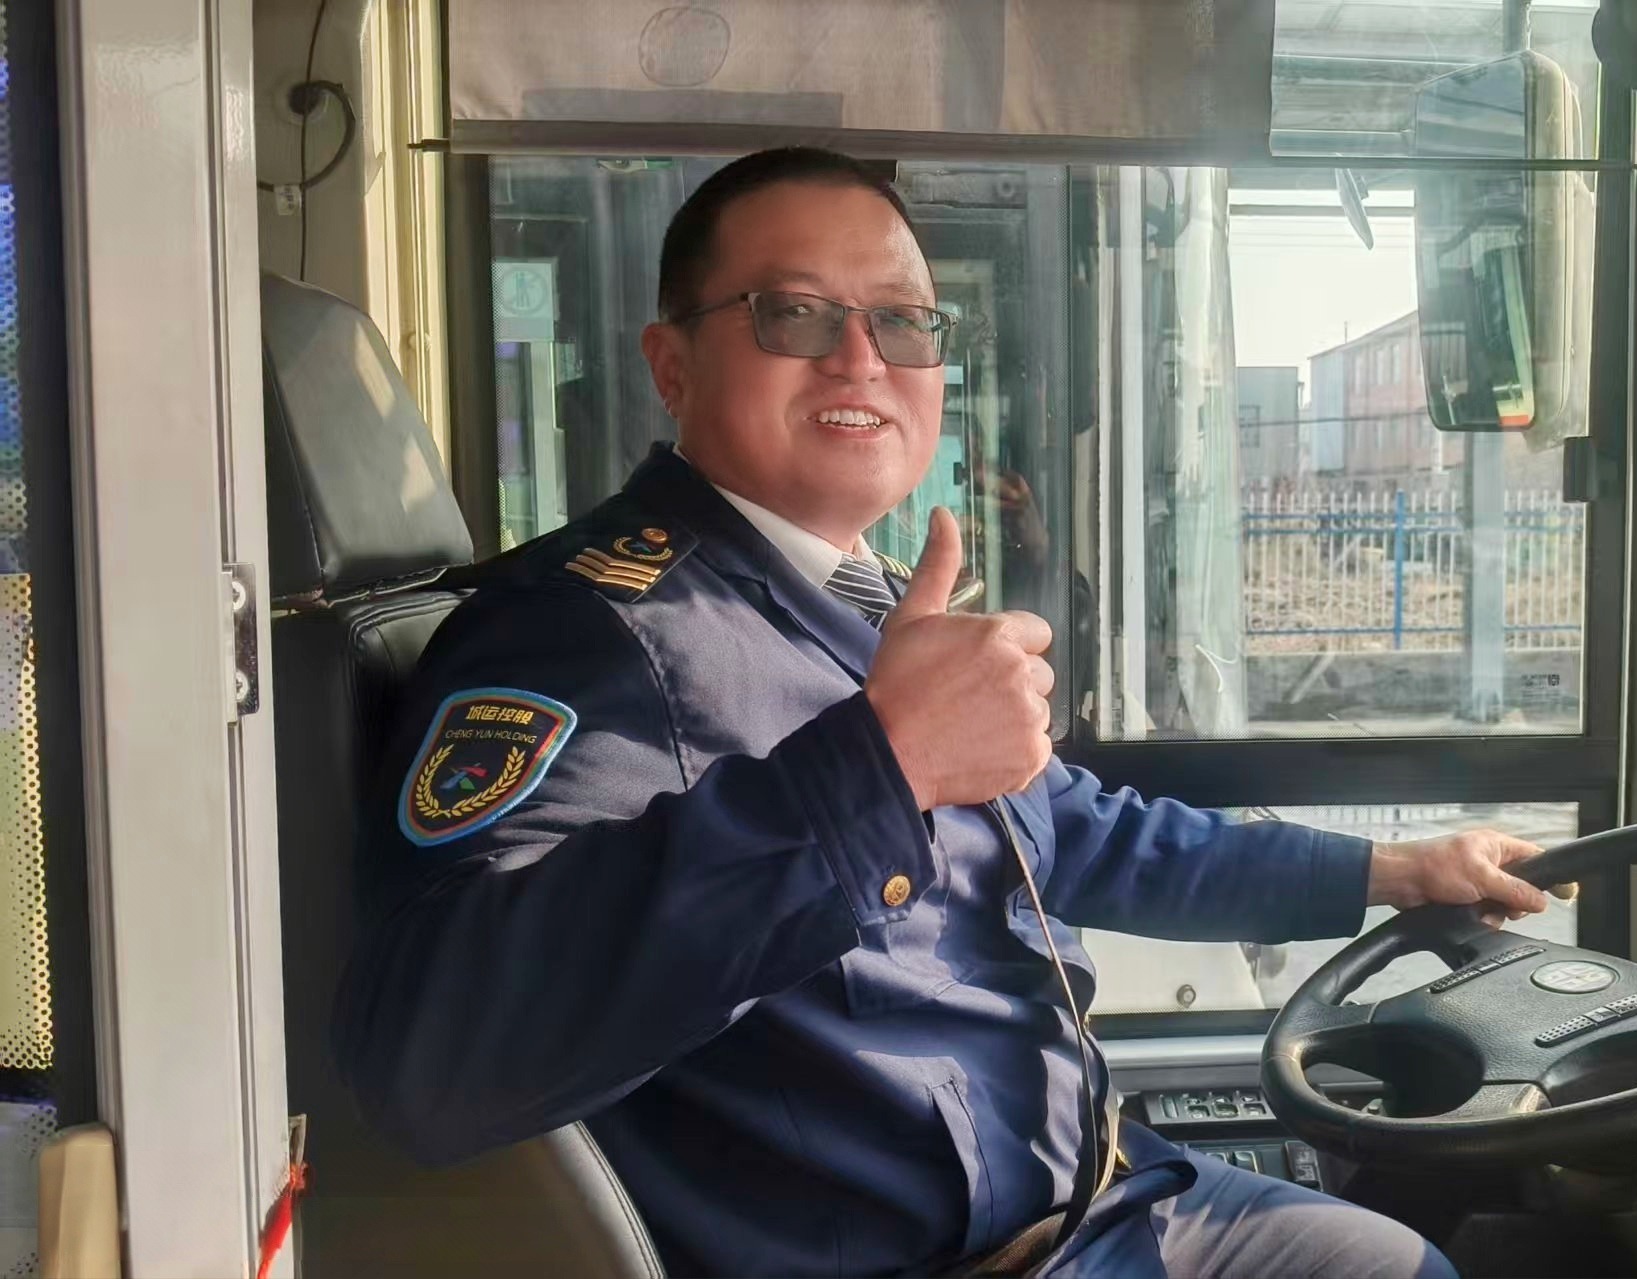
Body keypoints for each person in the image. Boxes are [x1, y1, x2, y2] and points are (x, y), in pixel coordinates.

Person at [336, 147, 1562, 1279]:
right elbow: (432, 1057)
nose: (859, 357)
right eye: (794, 312)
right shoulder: (594, 635)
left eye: (902, 320)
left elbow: (1082, 833)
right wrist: (878, 766)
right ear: (673, 365)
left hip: (1104, 1200)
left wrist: (1389, 870)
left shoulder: (851, 598)